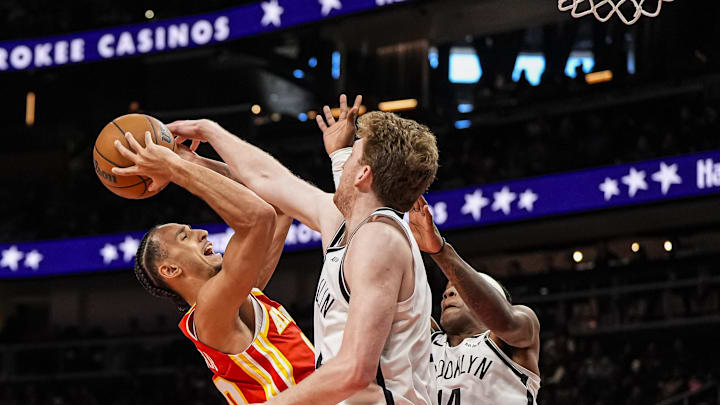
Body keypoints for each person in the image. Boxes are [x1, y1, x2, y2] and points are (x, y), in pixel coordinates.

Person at [167, 94, 439, 405]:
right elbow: (268, 179)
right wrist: (207, 133)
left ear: (363, 176)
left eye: (350, 158)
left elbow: (354, 371)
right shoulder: (345, 226)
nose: (341, 162)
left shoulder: (380, 240)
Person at [111, 132, 315, 404]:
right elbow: (259, 217)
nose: (202, 232)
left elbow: (279, 205)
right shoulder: (209, 310)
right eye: (185, 236)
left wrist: (195, 164)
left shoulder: (240, 293)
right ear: (171, 270)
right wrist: (175, 168)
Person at [408, 196, 541, 405]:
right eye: (446, 291)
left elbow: (504, 320)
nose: (447, 294)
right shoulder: (430, 340)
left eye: (458, 289)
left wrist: (440, 251)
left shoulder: (518, 328)